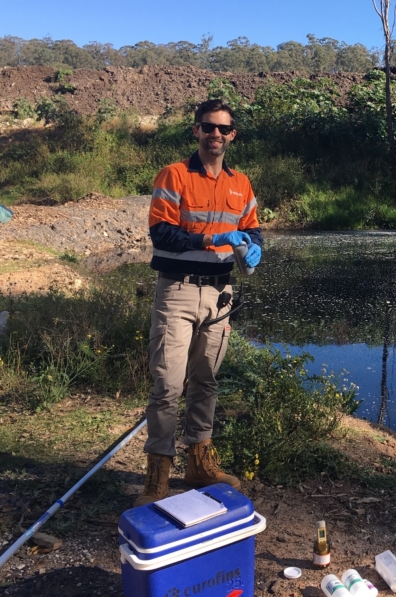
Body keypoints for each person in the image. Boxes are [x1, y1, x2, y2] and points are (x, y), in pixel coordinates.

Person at [136, 99, 263, 507]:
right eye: (208, 127)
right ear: (196, 131)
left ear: (232, 136)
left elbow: (252, 230)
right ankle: (158, 473)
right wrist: (212, 239)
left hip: (221, 293)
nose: (215, 135)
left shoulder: (240, 183)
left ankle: (199, 463)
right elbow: (163, 235)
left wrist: (255, 247)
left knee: (206, 380)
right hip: (178, 291)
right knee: (168, 385)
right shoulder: (173, 175)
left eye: (223, 129)